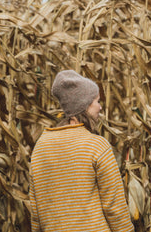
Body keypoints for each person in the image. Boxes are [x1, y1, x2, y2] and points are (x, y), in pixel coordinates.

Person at [29, 70, 134, 232]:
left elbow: (36, 211)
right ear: (84, 106)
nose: (100, 107)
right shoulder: (96, 146)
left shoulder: (41, 147)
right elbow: (114, 206)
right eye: (97, 101)